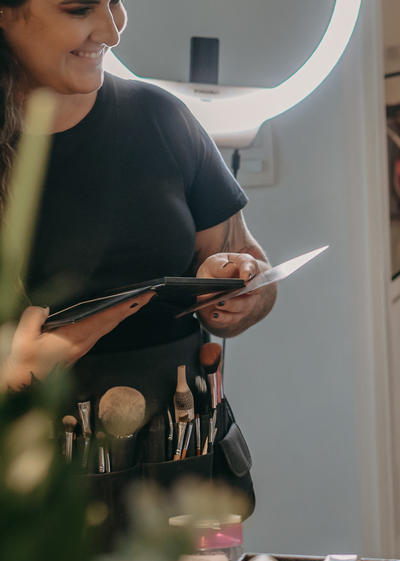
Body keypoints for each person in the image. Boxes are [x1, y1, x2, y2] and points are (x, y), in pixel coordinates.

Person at [0, 0, 275, 407]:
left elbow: (252, 270)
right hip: (35, 440)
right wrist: (12, 382)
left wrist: (238, 293)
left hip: (187, 435)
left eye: (115, 1)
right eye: (79, 9)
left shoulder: (161, 116)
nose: (112, 33)